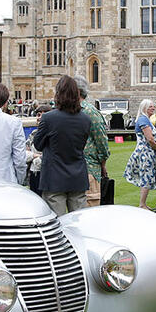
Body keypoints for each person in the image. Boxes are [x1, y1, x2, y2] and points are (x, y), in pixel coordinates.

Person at [30, 75, 91, 215]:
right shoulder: (85, 119)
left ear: (58, 94)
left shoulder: (48, 118)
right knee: (78, 223)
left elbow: (38, 145)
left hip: (54, 178)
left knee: (58, 224)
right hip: (77, 176)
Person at [123, 98, 156, 210]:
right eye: (150, 106)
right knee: (146, 177)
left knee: (148, 177)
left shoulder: (146, 120)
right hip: (145, 153)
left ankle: (143, 203)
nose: (153, 108)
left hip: (148, 152)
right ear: (144, 108)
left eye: (153, 106)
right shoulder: (143, 120)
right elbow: (150, 139)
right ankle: (142, 204)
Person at [76, 76, 111, 207]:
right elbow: (102, 142)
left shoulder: (85, 111)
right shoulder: (90, 112)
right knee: (90, 211)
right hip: (88, 168)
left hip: (77, 169)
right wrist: (103, 163)